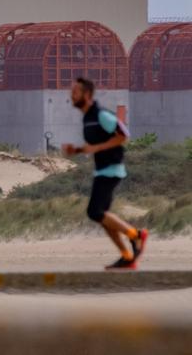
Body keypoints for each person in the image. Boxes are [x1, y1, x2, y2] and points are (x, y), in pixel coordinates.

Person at [62, 77, 148, 270]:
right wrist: (75, 151)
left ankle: (136, 235)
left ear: (87, 95)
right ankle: (127, 256)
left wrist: (99, 147)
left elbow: (124, 134)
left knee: (95, 212)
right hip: (102, 170)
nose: (71, 95)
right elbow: (94, 146)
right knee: (103, 218)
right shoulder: (87, 118)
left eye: (75, 92)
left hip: (112, 169)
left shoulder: (101, 115)